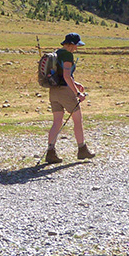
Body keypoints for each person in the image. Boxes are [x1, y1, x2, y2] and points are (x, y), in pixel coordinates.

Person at [45, 32, 95, 163]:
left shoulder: (57, 53)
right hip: (65, 92)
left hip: (53, 91)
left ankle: (50, 152)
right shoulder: (67, 55)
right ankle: (82, 149)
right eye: (76, 45)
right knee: (77, 120)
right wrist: (78, 93)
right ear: (71, 44)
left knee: (57, 122)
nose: (77, 48)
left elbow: (61, 75)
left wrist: (76, 84)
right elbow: (66, 76)